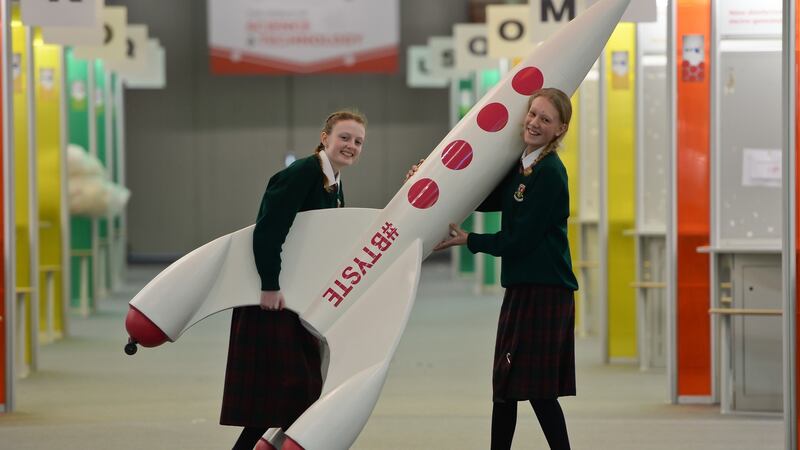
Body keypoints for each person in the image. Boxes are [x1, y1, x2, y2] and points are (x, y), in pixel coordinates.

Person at [430, 88, 578, 450]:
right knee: (506, 388)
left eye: (546, 119)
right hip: (524, 289)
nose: (534, 123)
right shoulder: (523, 165)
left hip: (545, 293)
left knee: (537, 393)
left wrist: (471, 240)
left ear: (560, 130)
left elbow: (519, 240)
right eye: (533, 114)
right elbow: (487, 197)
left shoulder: (550, 174)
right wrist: (434, 178)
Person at [220, 110, 367, 450]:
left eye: (358, 142)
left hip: (298, 299)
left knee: (289, 395)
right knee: (286, 392)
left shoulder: (334, 183)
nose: (351, 146)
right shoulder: (303, 173)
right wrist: (269, 284)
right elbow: (268, 231)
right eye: (344, 137)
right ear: (324, 137)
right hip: (273, 298)